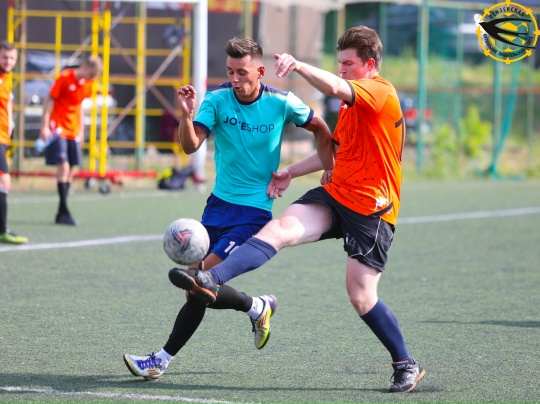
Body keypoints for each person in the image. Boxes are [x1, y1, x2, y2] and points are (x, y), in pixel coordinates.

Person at [169, 26, 425, 393]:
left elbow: (334, 88)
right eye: (339, 63)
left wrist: (299, 65)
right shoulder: (351, 107)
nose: (342, 70)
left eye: (348, 64)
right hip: (336, 195)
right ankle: (211, 278)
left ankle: (405, 363)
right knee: (278, 229)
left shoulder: (380, 92)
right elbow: (335, 153)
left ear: (369, 65)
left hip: (372, 208)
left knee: (360, 296)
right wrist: (291, 171)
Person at [123, 37, 334, 381]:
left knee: (198, 284)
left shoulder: (281, 103)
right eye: (230, 71)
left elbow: (321, 128)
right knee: (197, 287)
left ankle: (160, 360)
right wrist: (186, 115)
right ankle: (257, 306)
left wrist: (328, 166)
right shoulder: (217, 99)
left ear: (260, 71)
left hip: (253, 214)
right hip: (216, 209)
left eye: (242, 72)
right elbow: (190, 145)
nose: (235, 79)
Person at [39, 55, 103, 226]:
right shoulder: (65, 78)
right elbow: (48, 99)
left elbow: (79, 105)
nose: (92, 78)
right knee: (64, 166)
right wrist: (44, 126)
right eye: (91, 74)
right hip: (58, 127)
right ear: (85, 67)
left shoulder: (88, 84)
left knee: (71, 169)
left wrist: (81, 129)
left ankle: (62, 212)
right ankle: (64, 209)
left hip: (73, 130)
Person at [0, 41, 27, 244]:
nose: (8, 61)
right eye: (4, 57)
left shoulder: (6, 79)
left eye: (11, 58)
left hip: (3, 138)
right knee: (4, 181)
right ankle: (2, 230)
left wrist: (10, 125)